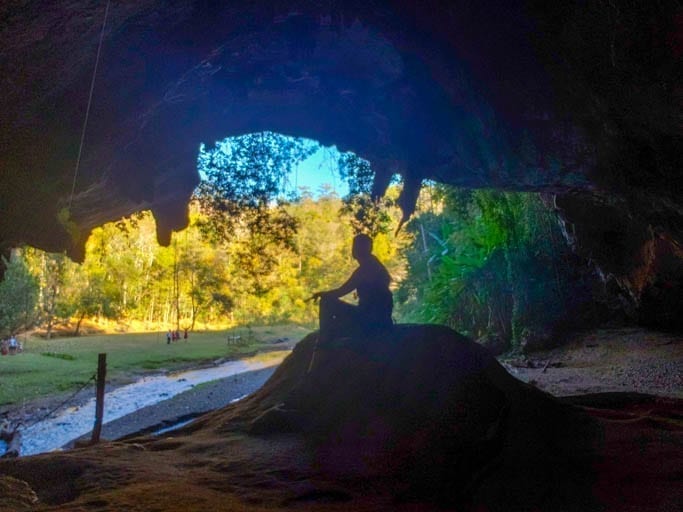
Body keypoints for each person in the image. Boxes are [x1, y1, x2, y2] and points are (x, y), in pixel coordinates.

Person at [311, 233, 393, 342]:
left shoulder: (364, 270)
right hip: (381, 318)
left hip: (368, 319)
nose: (353, 249)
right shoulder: (376, 266)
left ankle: (324, 341)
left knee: (326, 302)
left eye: (355, 246)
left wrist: (322, 294)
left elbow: (341, 291)